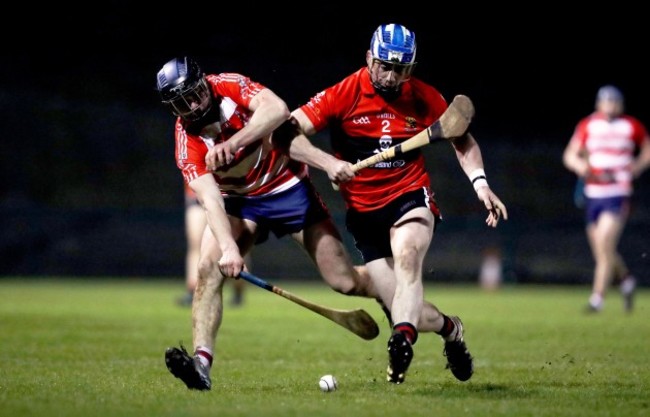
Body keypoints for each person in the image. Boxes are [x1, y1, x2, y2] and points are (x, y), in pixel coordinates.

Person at [289, 23, 508, 384]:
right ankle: (451, 329)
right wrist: (328, 163)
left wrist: (480, 184)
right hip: (363, 212)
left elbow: (462, 140)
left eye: (402, 69)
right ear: (369, 59)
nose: (391, 77)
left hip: (409, 195)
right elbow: (288, 132)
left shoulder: (423, 97)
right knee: (415, 313)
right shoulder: (343, 94)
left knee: (408, 260)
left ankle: (400, 340)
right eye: (384, 66)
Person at [156, 56, 387, 391]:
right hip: (237, 202)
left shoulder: (229, 86)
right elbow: (209, 199)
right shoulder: (186, 142)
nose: (192, 105)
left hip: (285, 187)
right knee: (208, 268)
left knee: (345, 281)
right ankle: (201, 364)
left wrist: (234, 142)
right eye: (181, 102)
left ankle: (397, 293)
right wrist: (229, 249)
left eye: (193, 93)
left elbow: (277, 110)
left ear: (203, 81)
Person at [563, 85, 650, 313]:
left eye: (614, 101)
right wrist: (580, 165)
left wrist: (637, 167)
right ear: (599, 104)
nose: (610, 105)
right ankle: (627, 280)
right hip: (593, 194)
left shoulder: (631, 126)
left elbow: (647, 150)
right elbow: (570, 154)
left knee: (604, 243)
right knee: (603, 250)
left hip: (617, 192)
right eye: (606, 101)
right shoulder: (588, 125)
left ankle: (597, 299)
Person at [177, 184, 246, 308]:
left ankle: (238, 290)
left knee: (237, 244)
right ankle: (193, 290)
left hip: (228, 193)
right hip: (197, 193)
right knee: (195, 242)